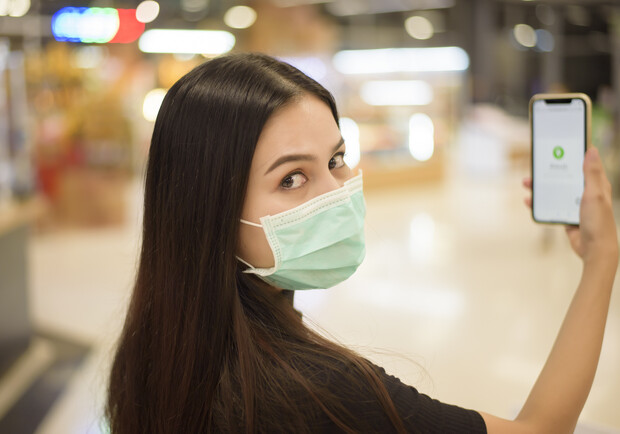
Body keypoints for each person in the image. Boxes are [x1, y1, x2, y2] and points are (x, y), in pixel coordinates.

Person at [105, 52, 618, 433]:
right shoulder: (324, 390)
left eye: (336, 159)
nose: (337, 192)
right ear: (211, 209)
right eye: (291, 178)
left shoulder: (149, 351)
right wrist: (601, 259)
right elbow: (541, 430)